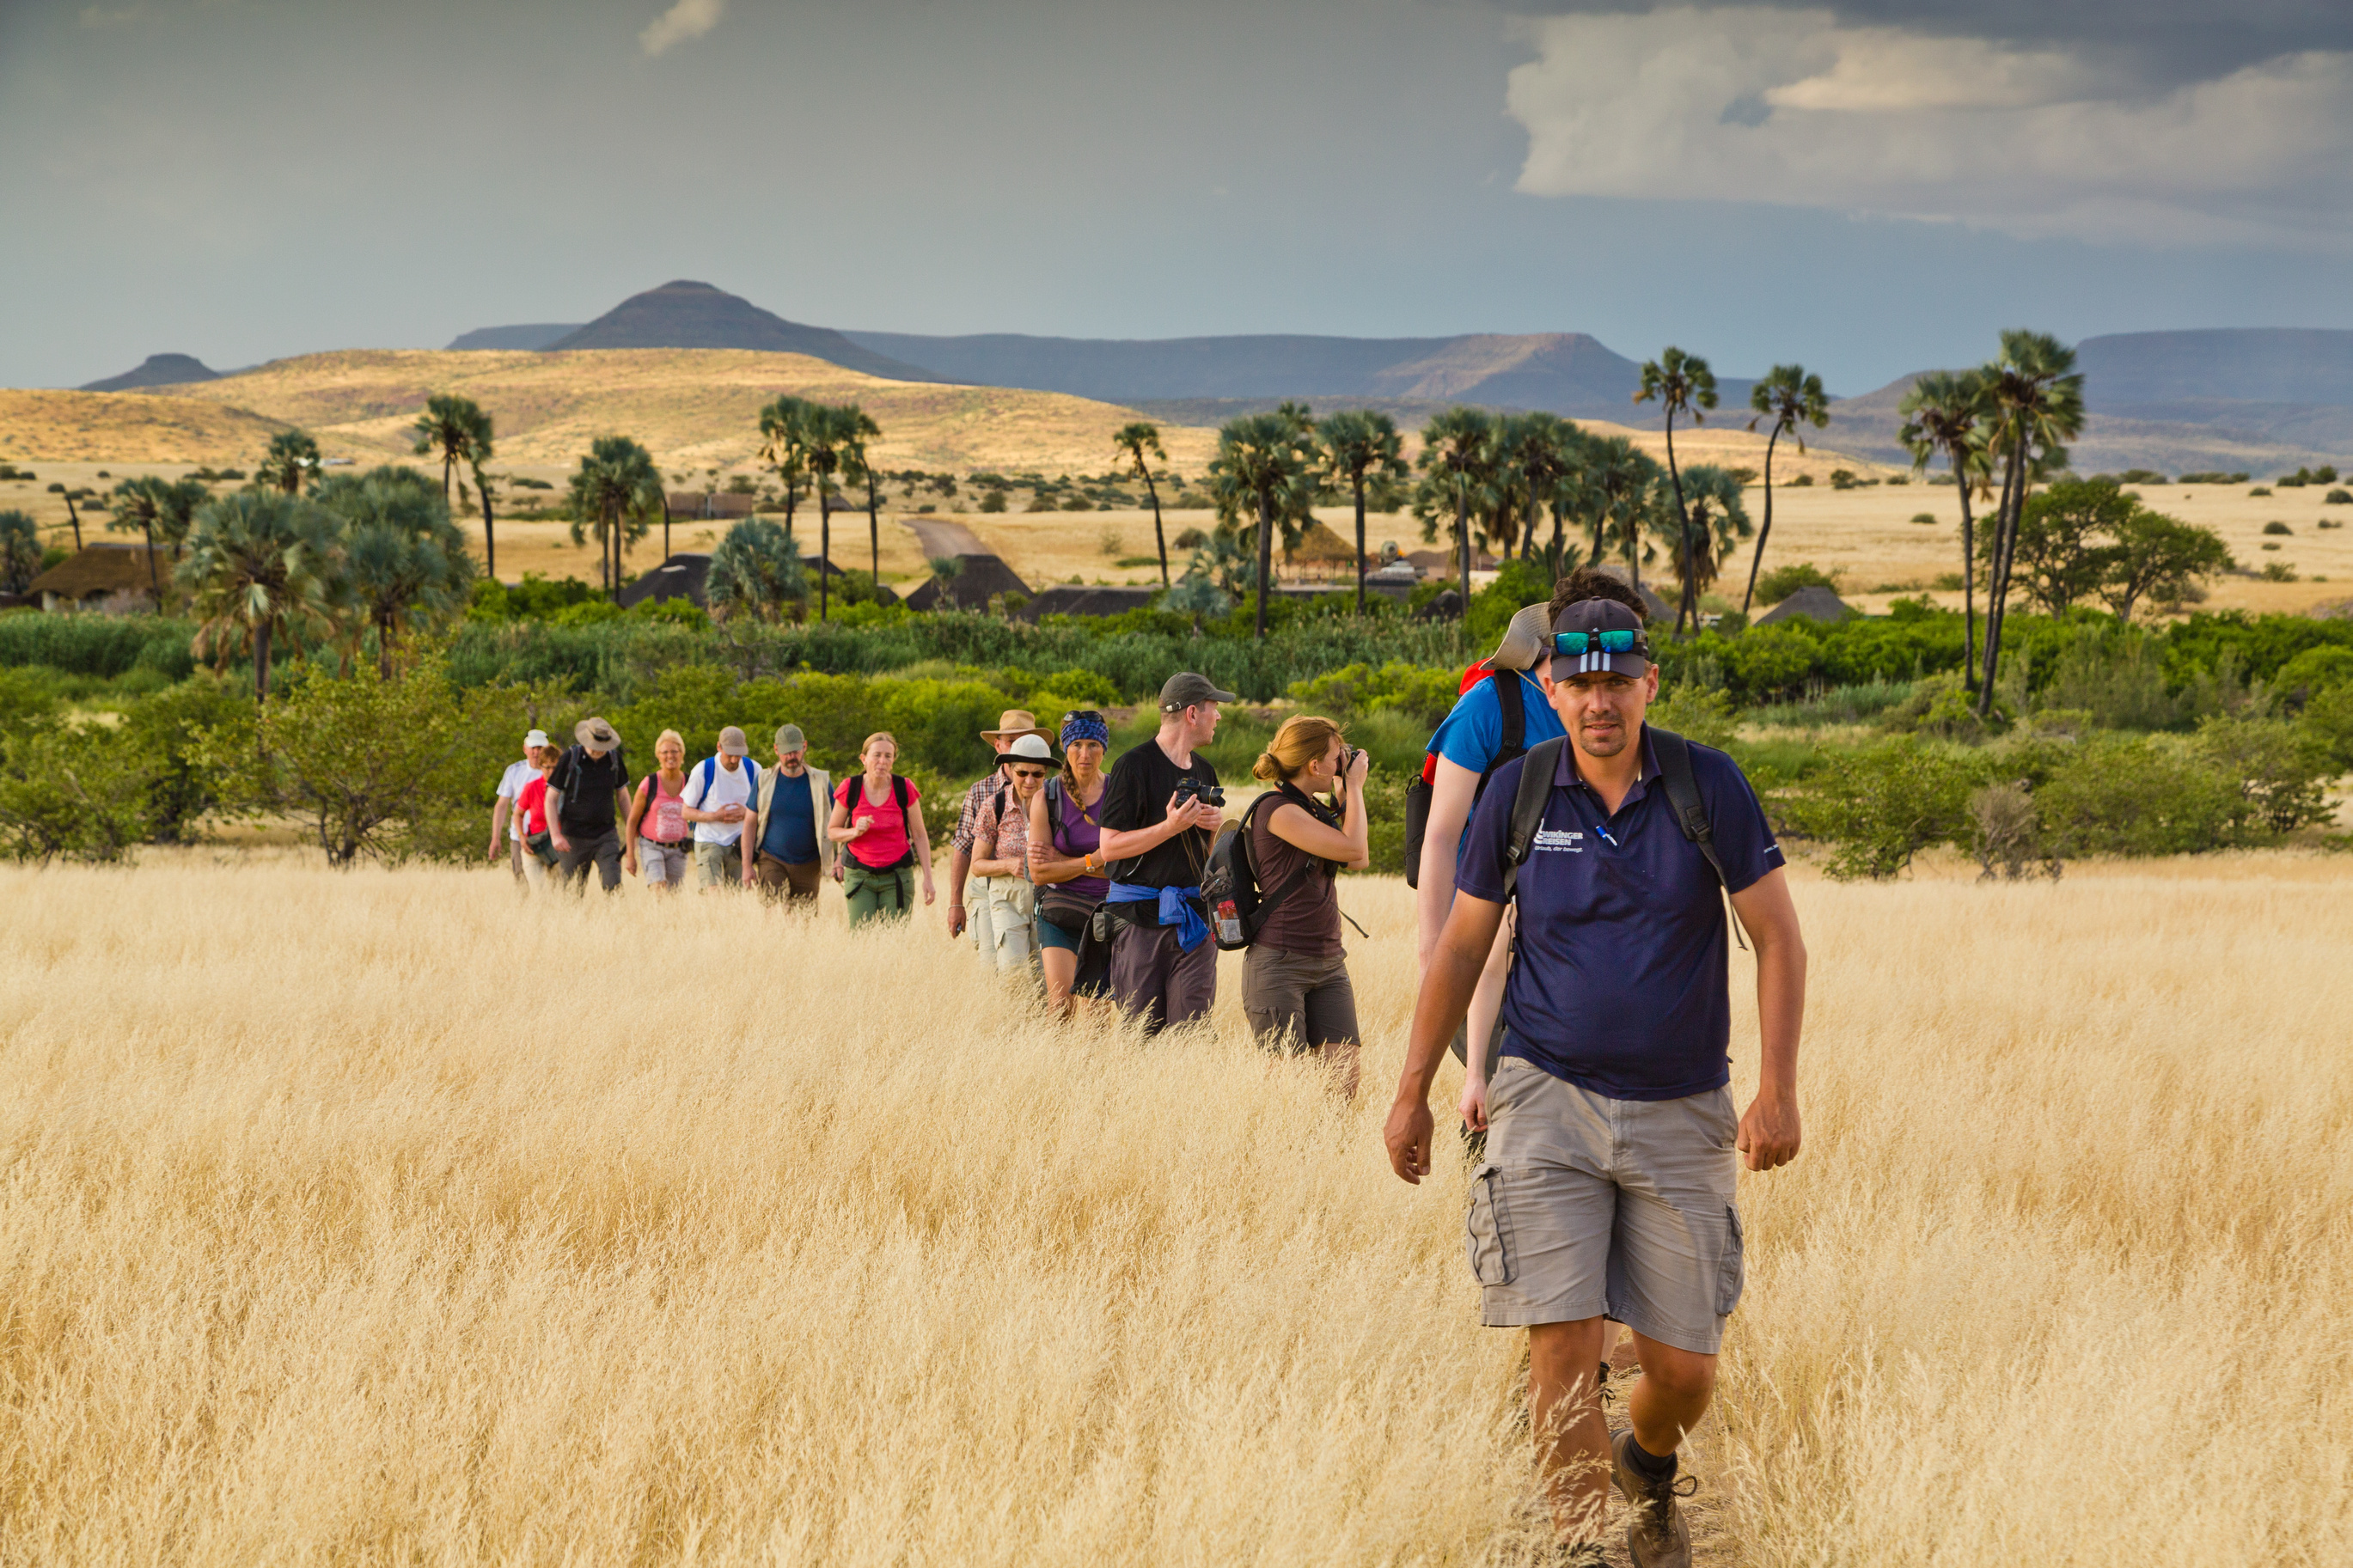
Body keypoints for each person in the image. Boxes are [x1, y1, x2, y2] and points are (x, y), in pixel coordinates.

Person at [1383, 591, 1807, 1568]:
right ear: (1548, 687)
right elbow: (1458, 946)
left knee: (1683, 1367)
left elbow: (1777, 937)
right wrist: (1412, 1087)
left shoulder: (1708, 786)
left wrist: (1775, 1086)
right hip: (1544, 1093)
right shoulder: (1519, 792)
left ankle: (1646, 1458)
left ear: (1648, 683)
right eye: (1577, 682)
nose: (1597, 700)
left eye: (1616, 681)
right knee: (1560, 1346)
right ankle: (1580, 1550)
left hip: (1681, 1105)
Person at [1416, 600, 1569, 1126]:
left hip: (1568, 933)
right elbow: (1440, 836)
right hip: (1483, 930)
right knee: (1501, 1096)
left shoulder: (1603, 712)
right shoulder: (1489, 706)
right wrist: (1431, 952)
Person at [1241, 715, 1371, 1097]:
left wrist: (1345, 792)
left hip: (1329, 962)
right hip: (1280, 964)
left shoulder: (1313, 808)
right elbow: (1355, 848)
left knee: (1343, 1087)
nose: (1340, 763)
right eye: (1335, 757)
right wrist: (1356, 787)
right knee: (1289, 1093)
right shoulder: (1277, 811)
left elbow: (1357, 860)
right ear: (1314, 765)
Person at [1097, 672, 1232, 1035]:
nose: (1218, 716)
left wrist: (1211, 827)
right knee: (1140, 1038)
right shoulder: (1134, 766)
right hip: (1140, 919)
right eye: (1213, 708)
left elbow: (1206, 857)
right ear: (1192, 714)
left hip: (1194, 921)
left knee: (1191, 1036)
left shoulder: (1205, 770)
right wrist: (1169, 827)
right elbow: (1109, 846)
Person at [1026, 709, 1114, 1016]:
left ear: (1104, 749)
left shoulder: (1119, 794)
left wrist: (1063, 862)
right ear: (1065, 748)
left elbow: (1124, 865)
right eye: (1076, 745)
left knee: (1098, 1014)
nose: (1084, 754)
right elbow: (1038, 873)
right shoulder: (1047, 797)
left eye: (1093, 745)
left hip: (1106, 912)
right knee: (1061, 1007)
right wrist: (1093, 860)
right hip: (1060, 911)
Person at [948, 710, 1048, 947]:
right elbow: (964, 847)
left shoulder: (1050, 790)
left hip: (1040, 889)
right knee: (996, 962)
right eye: (1012, 741)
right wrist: (956, 902)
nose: (1019, 747)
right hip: (988, 888)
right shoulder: (981, 791)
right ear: (998, 745)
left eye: (1025, 740)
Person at [828, 731, 936, 925]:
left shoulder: (904, 787)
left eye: (888, 756)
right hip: (859, 875)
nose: (882, 761)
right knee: (862, 938)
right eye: (876, 755)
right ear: (864, 759)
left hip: (897, 875)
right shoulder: (850, 787)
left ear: (893, 760)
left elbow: (919, 835)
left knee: (894, 938)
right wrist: (854, 831)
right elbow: (832, 831)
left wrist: (928, 878)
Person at [967, 733, 1054, 973]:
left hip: (1047, 894)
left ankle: (1041, 1013)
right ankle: (1011, 1011)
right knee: (1011, 970)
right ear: (1011, 770)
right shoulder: (994, 806)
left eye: (1037, 774)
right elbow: (977, 865)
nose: (1029, 780)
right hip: (1006, 896)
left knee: (1046, 975)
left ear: (1046, 773)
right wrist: (1008, 865)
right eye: (1022, 773)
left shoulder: (1056, 805)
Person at [746, 723, 834, 904]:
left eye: (795, 751)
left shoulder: (821, 781)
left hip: (809, 862)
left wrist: (839, 858)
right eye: (786, 753)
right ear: (776, 750)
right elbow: (749, 823)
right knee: (773, 909)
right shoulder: (764, 780)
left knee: (804, 917)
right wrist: (746, 865)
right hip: (772, 858)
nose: (791, 757)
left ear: (805, 747)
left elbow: (837, 821)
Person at [546, 717, 633, 894]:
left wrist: (632, 831)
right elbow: (550, 798)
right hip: (573, 837)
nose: (598, 751)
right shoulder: (570, 759)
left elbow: (623, 796)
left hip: (606, 834)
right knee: (572, 891)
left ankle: (617, 919)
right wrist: (555, 835)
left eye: (603, 747)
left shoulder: (614, 759)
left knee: (613, 885)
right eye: (595, 745)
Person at [681, 724, 760, 893]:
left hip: (740, 842)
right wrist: (715, 816)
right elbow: (686, 811)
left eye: (738, 755)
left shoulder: (754, 769)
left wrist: (747, 813)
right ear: (719, 747)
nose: (734, 760)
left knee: (736, 894)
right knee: (712, 891)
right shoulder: (704, 770)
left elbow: (766, 808)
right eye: (730, 754)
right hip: (709, 839)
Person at [623, 730, 692, 894]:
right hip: (652, 846)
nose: (670, 756)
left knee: (674, 894)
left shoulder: (690, 782)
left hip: (678, 848)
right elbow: (632, 821)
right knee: (658, 888)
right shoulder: (649, 783)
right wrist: (630, 857)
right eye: (665, 752)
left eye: (675, 751)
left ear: (682, 754)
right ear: (658, 756)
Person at [488, 729, 551, 878]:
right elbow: (501, 805)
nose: (536, 752)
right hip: (520, 835)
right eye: (533, 748)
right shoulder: (514, 771)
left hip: (549, 834)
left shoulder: (554, 771)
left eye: (540, 748)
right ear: (525, 749)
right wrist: (495, 837)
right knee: (522, 877)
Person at [513, 746, 558, 892]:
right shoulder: (531, 787)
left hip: (558, 848)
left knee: (558, 891)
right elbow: (518, 814)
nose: (551, 772)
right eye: (547, 767)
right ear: (541, 766)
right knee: (539, 892)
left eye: (555, 767)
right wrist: (521, 837)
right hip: (535, 846)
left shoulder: (567, 789)